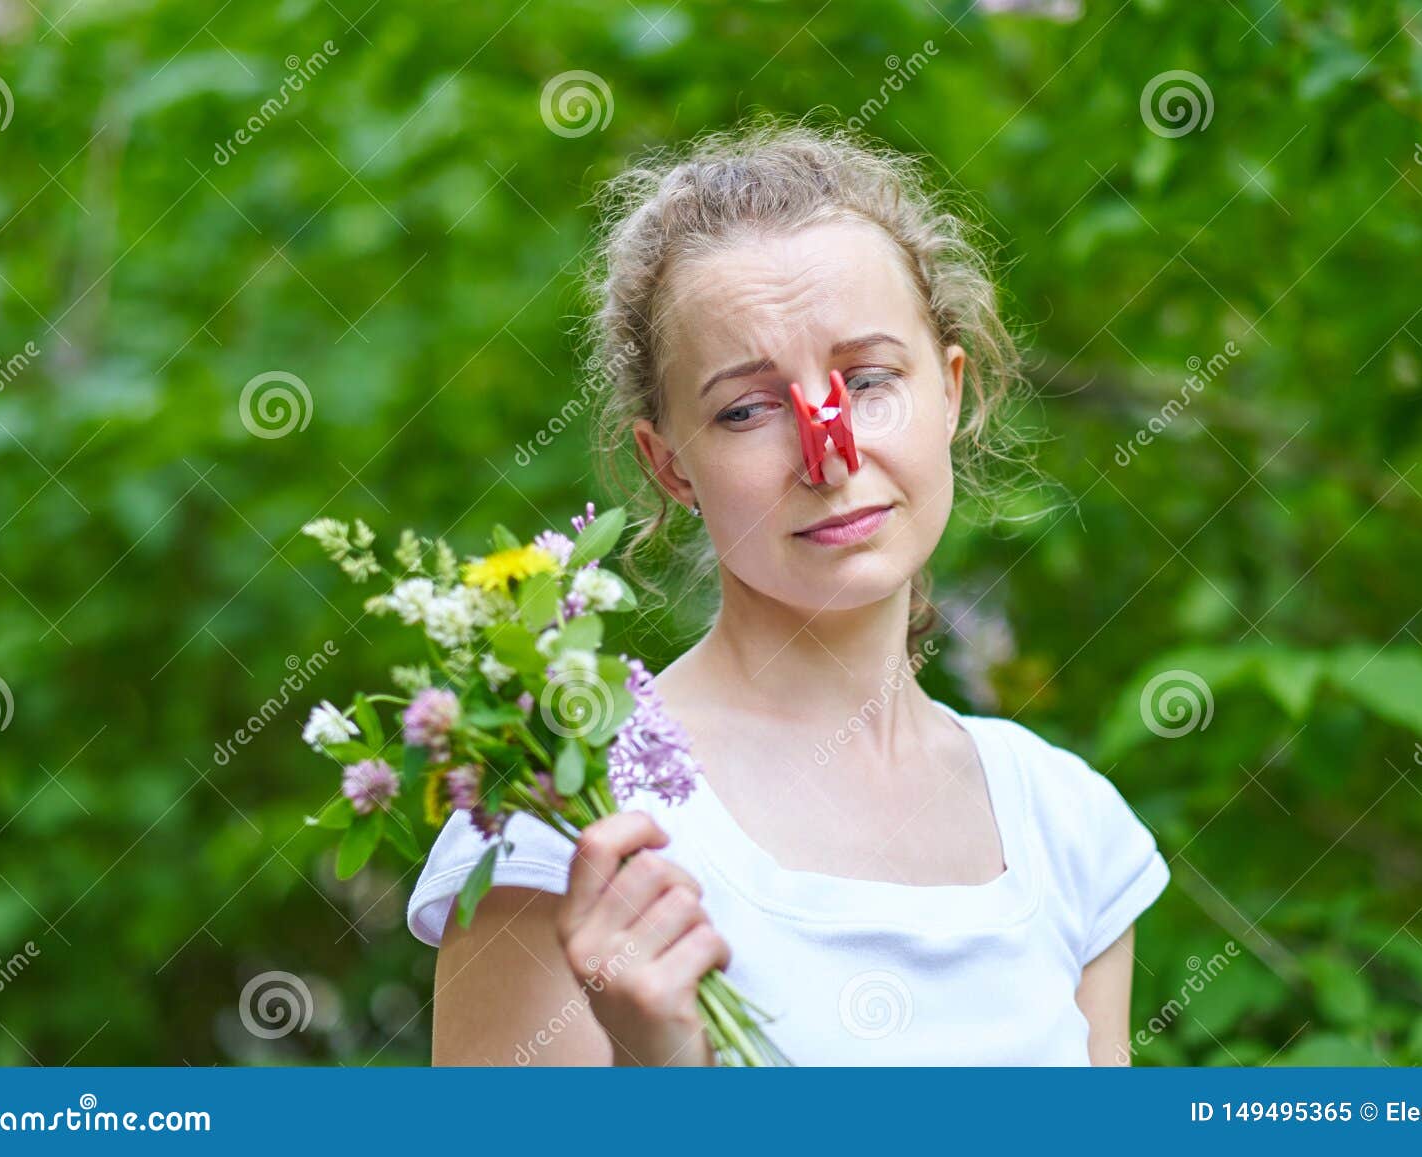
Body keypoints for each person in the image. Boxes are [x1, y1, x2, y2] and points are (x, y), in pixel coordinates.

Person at [407, 116, 1170, 1066]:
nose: (830, 455)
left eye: (871, 378)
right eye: (745, 409)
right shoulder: (574, 814)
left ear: (953, 392)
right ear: (669, 464)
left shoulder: (1070, 828)